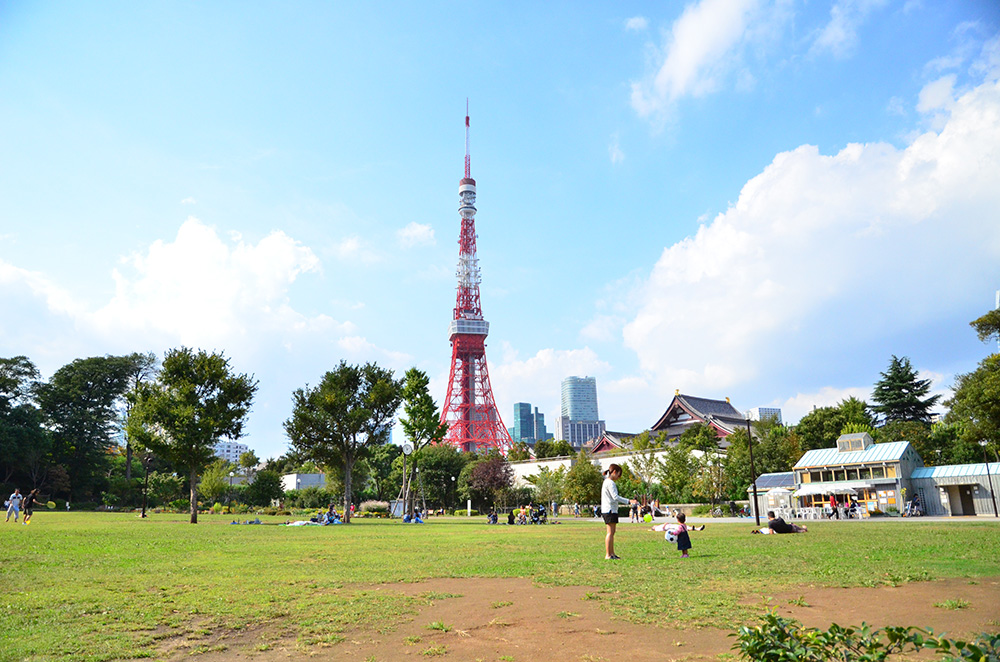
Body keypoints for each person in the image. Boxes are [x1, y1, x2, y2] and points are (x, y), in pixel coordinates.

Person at [601, 464, 636, 560]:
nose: (619, 478)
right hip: (610, 510)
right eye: (619, 475)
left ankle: (612, 553)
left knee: (612, 532)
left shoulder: (606, 482)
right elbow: (615, 497)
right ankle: (608, 554)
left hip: (609, 509)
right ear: (614, 472)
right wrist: (629, 501)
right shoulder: (610, 483)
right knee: (610, 533)